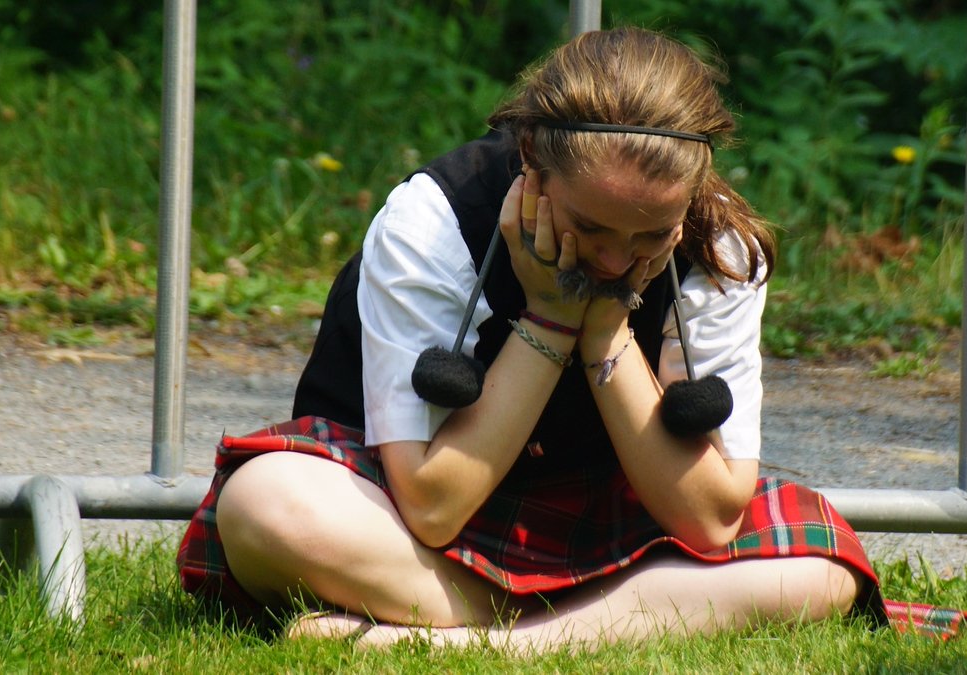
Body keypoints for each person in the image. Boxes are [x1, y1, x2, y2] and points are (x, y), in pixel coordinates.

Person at [176, 27, 892, 650]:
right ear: (531, 159)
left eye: (648, 234)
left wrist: (605, 325)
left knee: (822, 565)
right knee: (266, 502)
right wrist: (550, 317)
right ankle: (599, 621)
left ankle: (489, 643)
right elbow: (429, 504)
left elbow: (708, 518)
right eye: (594, 227)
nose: (616, 260)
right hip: (405, 513)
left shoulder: (721, 246)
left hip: (616, 515)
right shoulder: (431, 222)